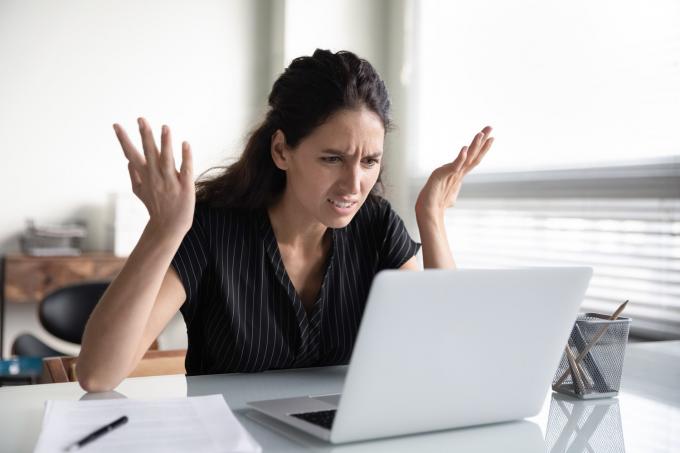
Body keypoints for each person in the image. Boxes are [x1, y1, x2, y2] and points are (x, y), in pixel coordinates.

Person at [76, 49, 494, 392]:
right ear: (281, 151)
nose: (354, 184)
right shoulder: (211, 228)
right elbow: (98, 376)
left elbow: (449, 354)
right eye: (332, 159)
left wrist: (431, 217)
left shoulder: (376, 225)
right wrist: (164, 230)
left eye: (369, 161)